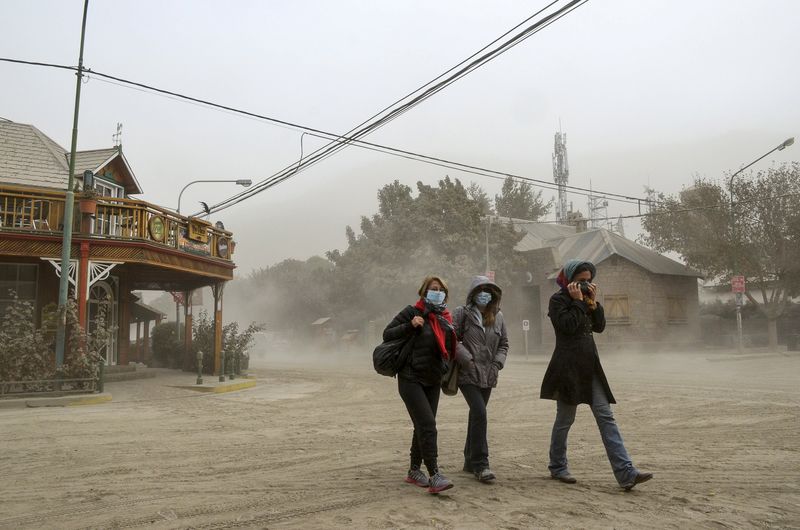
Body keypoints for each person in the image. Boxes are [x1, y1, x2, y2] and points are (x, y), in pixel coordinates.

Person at [540, 259, 653, 490]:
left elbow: (599, 326)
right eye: (580, 281)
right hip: (567, 368)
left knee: (606, 416)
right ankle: (558, 466)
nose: (585, 285)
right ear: (569, 280)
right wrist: (578, 302)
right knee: (565, 420)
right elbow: (568, 326)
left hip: (590, 367)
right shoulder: (557, 300)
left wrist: (594, 304)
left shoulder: (588, 301)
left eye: (589, 281)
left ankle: (626, 472)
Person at [383, 275, 457, 494]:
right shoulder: (411, 312)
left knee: (423, 424)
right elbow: (387, 334)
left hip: (432, 379)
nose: (437, 292)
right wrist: (409, 325)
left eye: (441, 289)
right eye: (433, 289)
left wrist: (445, 367)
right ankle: (434, 474)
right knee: (428, 425)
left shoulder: (445, 318)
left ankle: (414, 470)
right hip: (410, 378)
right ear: (424, 292)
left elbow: (449, 348)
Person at [452, 275, 508, 483]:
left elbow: (504, 344)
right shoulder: (461, 313)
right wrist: (468, 361)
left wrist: (497, 364)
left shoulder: (498, 317)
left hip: (489, 374)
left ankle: (469, 460)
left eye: (489, 291)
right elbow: (453, 339)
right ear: (473, 293)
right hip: (468, 374)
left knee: (477, 415)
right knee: (480, 412)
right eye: (480, 290)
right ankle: (481, 464)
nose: (484, 294)